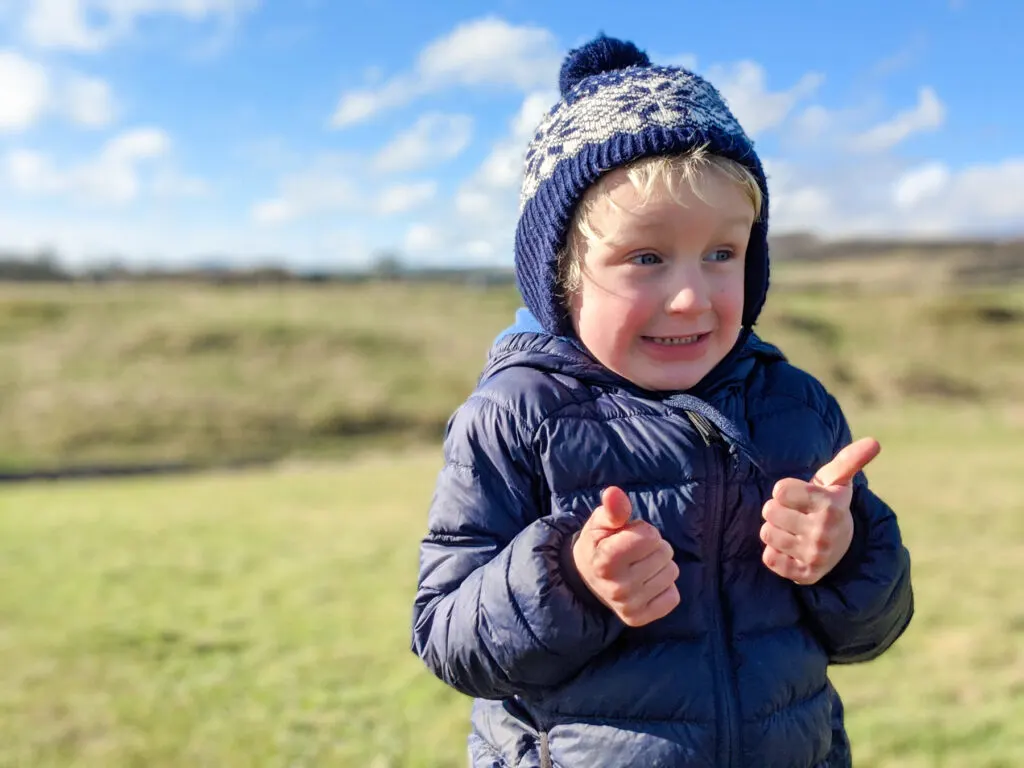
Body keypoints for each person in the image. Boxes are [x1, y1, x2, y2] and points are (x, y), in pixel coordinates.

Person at [411, 33, 913, 768]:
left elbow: (872, 630)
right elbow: (447, 637)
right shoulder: (514, 416)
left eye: (722, 254)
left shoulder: (794, 407)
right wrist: (569, 581)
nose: (690, 297)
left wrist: (842, 557)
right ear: (563, 276)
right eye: (646, 257)